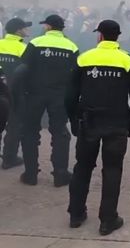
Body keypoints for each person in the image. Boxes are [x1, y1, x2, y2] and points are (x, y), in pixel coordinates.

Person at [66, 20, 130, 236]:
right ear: (117, 37)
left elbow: (69, 95)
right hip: (117, 123)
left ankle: (76, 214)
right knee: (112, 170)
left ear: (99, 36)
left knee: (82, 167)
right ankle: (108, 220)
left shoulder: (84, 58)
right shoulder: (127, 60)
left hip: (88, 123)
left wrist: (73, 119)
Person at [19, 14, 79, 187]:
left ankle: (31, 174)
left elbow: (23, 69)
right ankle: (60, 174)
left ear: (48, 27)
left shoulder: (35, 43)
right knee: (60, 133)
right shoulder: (71, 46)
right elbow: (76, 74)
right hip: (59, 96)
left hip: (34, 94)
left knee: (30, 132)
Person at [0, 17, 32, 169]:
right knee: (14, 126)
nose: (27, 29)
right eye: (25, 27)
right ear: (19, 30)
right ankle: (9, 158)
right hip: (15, 93)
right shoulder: (24, 49)